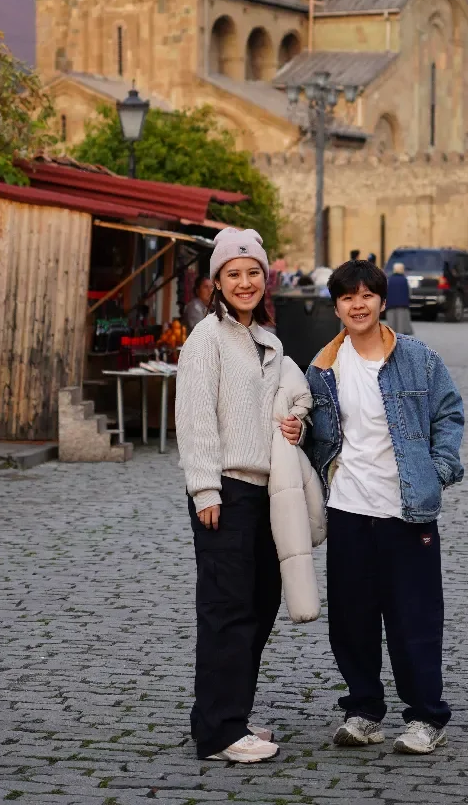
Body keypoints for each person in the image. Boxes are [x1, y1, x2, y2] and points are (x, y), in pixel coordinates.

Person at [303, 259, 464, 755]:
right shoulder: (322, 369)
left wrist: (437, 471)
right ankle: (364, 711)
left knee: (412, 617)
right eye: (348, 298)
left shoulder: (419, 359)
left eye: (366, 296)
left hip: (406, 511)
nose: (358, 305)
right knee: (350, 620)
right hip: (349, 509)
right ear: (337, 307)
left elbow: (449, 413)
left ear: (381, 300)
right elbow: (317, 436)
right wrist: (298, 432)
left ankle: (425, 717)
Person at [175, 228, 311, 764]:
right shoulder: (205, 340)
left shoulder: (271, 342)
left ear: (265, 277)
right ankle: (218, 733)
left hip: (265, 495)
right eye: (233, 273)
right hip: (224, 492)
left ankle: (227, 709)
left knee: (260, 604)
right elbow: (194, 420)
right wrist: (205, 488)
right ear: (217, 282)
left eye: (253, 272)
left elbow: (298, 392)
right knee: (226, 609)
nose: (245, 281)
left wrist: (295, 420)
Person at [385, 261, 413, 335]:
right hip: (403, 307)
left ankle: (392, 343)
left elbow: (385, 292)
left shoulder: (389, 280)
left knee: (391, 327)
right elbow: (409, 293)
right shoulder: (404, 280)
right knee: (401, 328)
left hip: (390, 306)